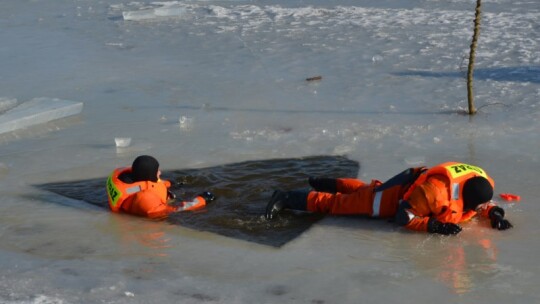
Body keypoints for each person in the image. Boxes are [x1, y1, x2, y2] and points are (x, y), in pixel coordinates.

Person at [266, 162, 513, 235]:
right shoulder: (435, 193)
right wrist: (434, 226)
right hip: (394, 201)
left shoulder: (480, 184)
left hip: (410, 188)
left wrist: (496, 215)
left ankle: (323, 182)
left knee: (366, 189)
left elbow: (482, 202)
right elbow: (402, 217)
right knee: (339, 205)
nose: (483, 208)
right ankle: (286, 197)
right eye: (481, 207)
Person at [106, 155, 215, 219]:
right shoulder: (144, 198)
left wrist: (170, 183)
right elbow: (172, 210)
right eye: (157, 171)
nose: (160, 172)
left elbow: (148, 184)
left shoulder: (129, 178)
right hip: (150, 212)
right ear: (149, 175)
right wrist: (201, 200)